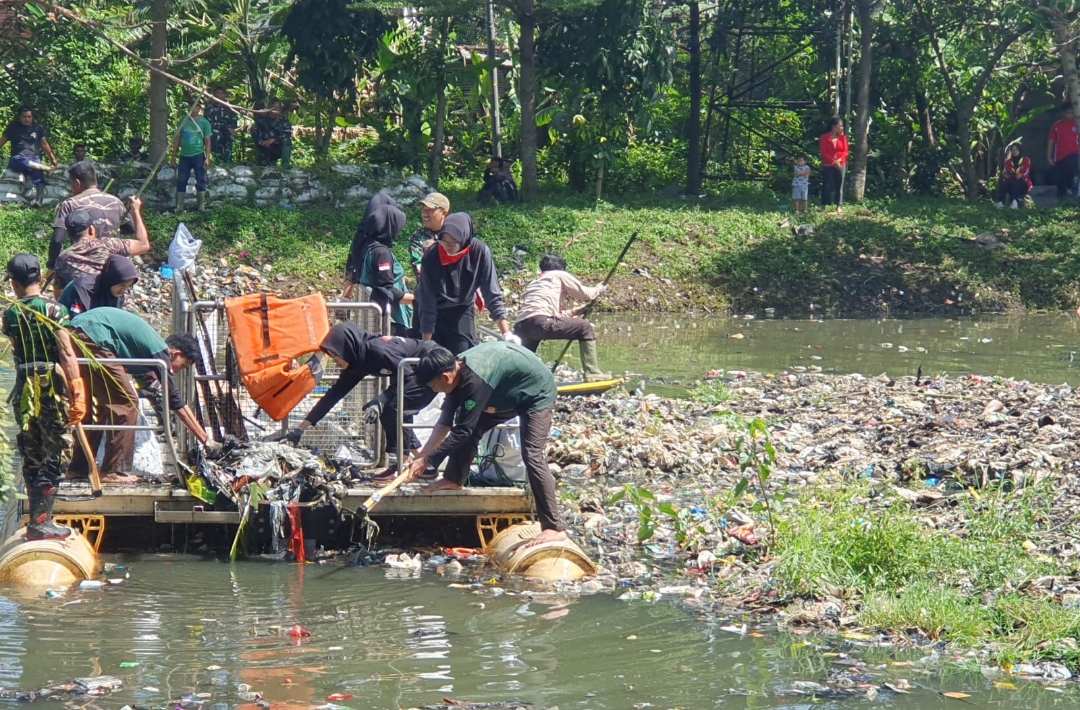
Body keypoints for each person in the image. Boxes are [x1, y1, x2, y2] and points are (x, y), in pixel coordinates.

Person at [407, 342, 567, 546]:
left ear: (446, 377)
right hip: (505, 392)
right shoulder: (455, 373)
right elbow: (445, 423)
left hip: (537, 392)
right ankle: (454, 479)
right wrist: (422, 457)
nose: (435, 391)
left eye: (433, 386)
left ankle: (553, 527)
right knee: (470, 428)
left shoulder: (473, 382)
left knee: (532, 455)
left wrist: (428, 460)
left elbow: (462, 431)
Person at [265, 323, 437, 481]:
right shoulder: (357, 362)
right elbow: (333, 395)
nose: (335, 361)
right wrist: (300, 429)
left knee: (393, 409)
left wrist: (381, 399)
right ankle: (425, 464)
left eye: (335, 355)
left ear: (345, 348)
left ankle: (401, 464)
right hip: (414, 374)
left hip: (432, 367)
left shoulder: (378, 350)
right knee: (395, 410)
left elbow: (407, 377)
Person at [60, 307, 214, 482]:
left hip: (78, 333)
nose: (178, 371)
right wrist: (206, 440)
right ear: (175, 354)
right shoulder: (160, 353)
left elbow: (155, 393)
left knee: (99, 406)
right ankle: (113, 471)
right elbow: (175, 400)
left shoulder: (145, 354)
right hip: (94, 337)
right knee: (127, 404)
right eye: (183, 366)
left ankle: (79, 469)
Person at [3, 254, 77, 540]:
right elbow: (67, 352)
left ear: (15, 283)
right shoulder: (55, 310)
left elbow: (14, 344)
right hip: (51, 387)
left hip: (24, 387)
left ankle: (37, 521)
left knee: (31, 450)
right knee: (57, 450)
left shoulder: (10, 314)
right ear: (37, 278)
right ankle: (43, 521)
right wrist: (77, 389)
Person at [415, 212, 517, 354]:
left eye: (453, 242)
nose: (448, 246)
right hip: (431, 309)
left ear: (464, 239)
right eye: (444, 241)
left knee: (463, 355)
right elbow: (427, 300)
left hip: (462, 306)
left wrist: (506, 333)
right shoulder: (432, 256)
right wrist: (426, 344)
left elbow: (491, 293)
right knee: (433, 357)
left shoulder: (479, 252)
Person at [513, 254, 609, 381]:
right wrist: (599, 289)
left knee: (525, 359)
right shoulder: (559, 274)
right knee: (584, 327)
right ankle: (592, 373)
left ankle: (518, 382)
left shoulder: (536, 282)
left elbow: (550, 316)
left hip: (522, 326)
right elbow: (585, 294)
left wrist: (575, 311)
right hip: (541, 322)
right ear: (562, 269)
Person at [343, 201, 415, 337]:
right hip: (391, 320)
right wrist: (416, 299)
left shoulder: (368, 245)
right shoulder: (382, 253)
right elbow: (386, 290)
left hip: (377, 316)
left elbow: (373, 275)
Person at [52, 197, 150, 293]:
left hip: (81, 305)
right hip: (108, 304)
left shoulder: (63, 258)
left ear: (69, 234)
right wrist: (135, 211)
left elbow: (59, 291)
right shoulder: (107, 245)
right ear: (91, 229)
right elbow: (143, 245)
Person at [49, 160, 130, 275]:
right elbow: (131, 228)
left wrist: (52, 266)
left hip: (85, 267)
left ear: (77, 183)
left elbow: (57, 240)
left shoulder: (71, 204)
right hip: (114, 266)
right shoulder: (116, 201)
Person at [0, 106, 58, 206]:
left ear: (32, 117)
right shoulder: (13, 127)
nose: (27, 119)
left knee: (39, 177)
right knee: (16, 160)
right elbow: (3, 140)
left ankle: (38, 201)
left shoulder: (37, 128)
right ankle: (45, 168)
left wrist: (52, 158)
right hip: (18, 158)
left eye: (29, 116)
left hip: (34, 158)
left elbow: (44, 144)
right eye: (24, 117)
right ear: (19, 117)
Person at [59, 254, 139, 316]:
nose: (124, 290)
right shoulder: (82, 289)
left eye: (128, 286)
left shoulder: (117, 296)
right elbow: (74, 319)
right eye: (122, 284)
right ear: (112, 278)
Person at [170, 100, 212, 212]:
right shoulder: (183, 121)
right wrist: (174, 155)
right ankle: (179, 206)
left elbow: (207, 141)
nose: (193, 109)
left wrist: (207, 157)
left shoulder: (204, 122)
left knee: (201, 180)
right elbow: (178, 138)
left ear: (199, 108)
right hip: (184, 156)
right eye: (191, 106)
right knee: (182, 180)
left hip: (198, 155)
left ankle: (201, 206)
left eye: (196, 107)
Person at [409, 192, 450, 278]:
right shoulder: (418, 237)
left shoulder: (455, 234)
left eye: (430, 210)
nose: (425, 214)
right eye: (424, 210)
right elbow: (419, 268)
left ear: (444, 213)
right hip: (429, 288)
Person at [1047, 102, 1079, 201]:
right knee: (1060, 178)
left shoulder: (1077, 123)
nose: (1070, 115)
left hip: (1074, 153)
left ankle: (1071, 186)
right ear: (1063, 113)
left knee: (1071, 168)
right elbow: (1051, 142)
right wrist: (1049, 157)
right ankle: (1062, 200)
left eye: (1071, 112)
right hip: (1060, 156)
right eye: (1067, 113)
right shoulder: (1057, 125)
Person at [252, 101, 292, 168]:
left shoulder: (284, 120)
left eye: (278, 108)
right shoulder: (262, 120)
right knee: (264, 167)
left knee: (287, 141)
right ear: (269, 108)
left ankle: (285, 166)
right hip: (265, 147)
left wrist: (274, 140)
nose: (277, 110)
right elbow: (254, 133)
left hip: (278, 147)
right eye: (274, 108)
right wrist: (260, 142)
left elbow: (287, 134)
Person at [819, 117, 848, 211]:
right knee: (826, 184)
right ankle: (824, 205)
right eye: (840, 126)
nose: (842, 128)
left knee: (839, 184)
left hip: (841, 164)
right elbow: (823, 151)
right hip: (828, 164)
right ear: (834, 127)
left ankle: (838, 205)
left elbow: (845, 151)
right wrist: (833, 161)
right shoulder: (824, 137)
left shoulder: (843, 138)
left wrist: (839, 160)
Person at [205, 87, 239, 164]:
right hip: (215, 131)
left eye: (222, 93)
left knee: (229, 137)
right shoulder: (210, 107)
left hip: (228, 132)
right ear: (213, 95)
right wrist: (225, 127)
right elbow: (208, 123)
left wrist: (232, 129)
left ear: (225, 95)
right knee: (216, 135)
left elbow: (234, 121)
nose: (220, 95)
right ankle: (216, 160)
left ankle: (228, 162)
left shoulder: (230, 107)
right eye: (217, 93)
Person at [996, 143, 1032, 209]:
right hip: (1011, 184)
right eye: (1012, 150)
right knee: (1004, 183)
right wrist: (1006, 175)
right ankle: (1000, 202)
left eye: (1016, 149)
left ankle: (1015, 202)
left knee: (1017, 181)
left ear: (1020, 150)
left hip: (1023, 184)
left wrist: (1021, 174)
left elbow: (1026, 171)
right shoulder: (1009, 162)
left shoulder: (1026, 160)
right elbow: (1008, 171)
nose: (1014, 151)